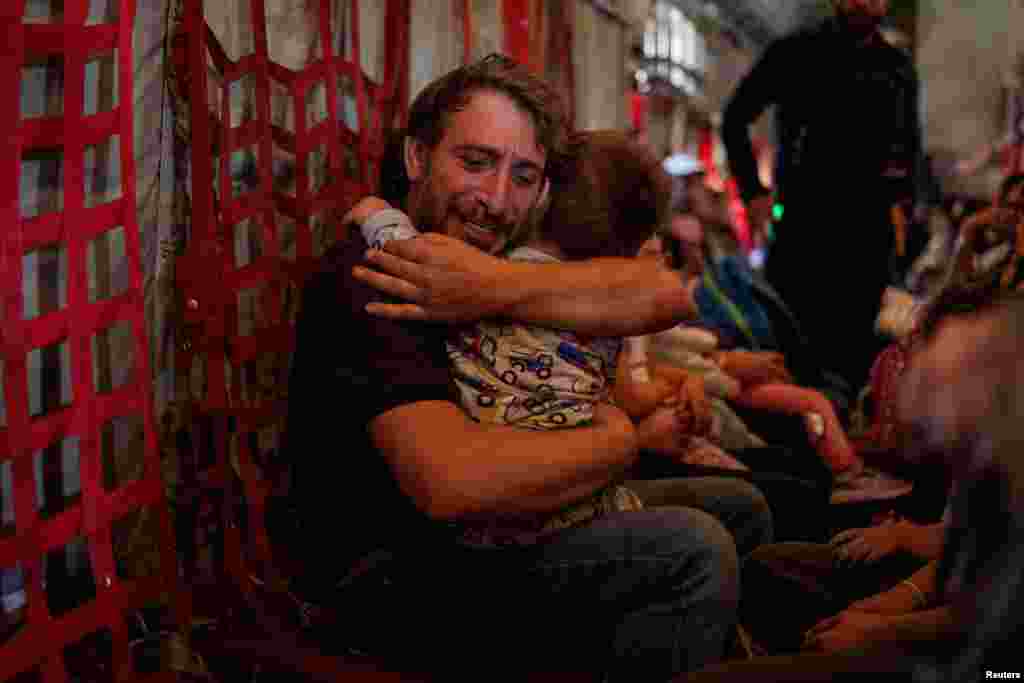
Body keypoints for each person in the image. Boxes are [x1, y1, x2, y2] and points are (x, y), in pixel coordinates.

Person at [279, 54, 770, 681]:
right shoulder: (374, 277)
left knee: (740, 508)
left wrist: (490, 284)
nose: (494, 199)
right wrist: (621, 440)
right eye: (476, 162)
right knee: (694, 552)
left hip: (491, 542)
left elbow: (664, 294)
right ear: (415, 158)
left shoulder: (495, 261)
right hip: (404, 580)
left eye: (523, 176)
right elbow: (452, 487)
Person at [678, 290, 1024, 682]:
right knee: (769, 564)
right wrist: (895, 583)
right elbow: (964, 560)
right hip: (938, 626)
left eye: (941, 377)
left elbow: (995, 647)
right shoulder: (986, 460)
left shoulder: (1004, 464)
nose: (916, 389)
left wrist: (882, 627)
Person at [722, 0, 922, 395]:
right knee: (793, 359)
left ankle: (845, 445)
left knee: (858, 366)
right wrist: (753, 193)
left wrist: (903, 222)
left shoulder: (897, 69)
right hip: (803, 235)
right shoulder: (795, 52)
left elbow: (909, 155)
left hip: (867, 244)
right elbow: (735, 118)